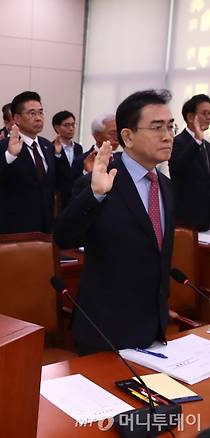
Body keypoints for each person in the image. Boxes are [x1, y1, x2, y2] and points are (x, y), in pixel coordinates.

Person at [54, 89, 175, 355]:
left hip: (152, 329)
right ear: (128, 136)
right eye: (156, 128)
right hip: (106, 330)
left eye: (170, 126)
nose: (167, 136)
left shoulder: (164, 186)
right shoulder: (100, 181)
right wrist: (95, 195)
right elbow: (64, 237)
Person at [0, 91, 69, 235]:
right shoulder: (3, 146)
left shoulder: (47, 146)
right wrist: (10, 156)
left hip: (44, 228)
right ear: (17, 118)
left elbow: (59, 183)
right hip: (13, 229)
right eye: (32, 113)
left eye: (41, 113)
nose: (38, 118)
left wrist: (59, 156)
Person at [169, 93, 210, 230]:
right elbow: (177, 168)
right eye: (205, 113)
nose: (209, 118)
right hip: (187, 220)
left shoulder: (207, 145)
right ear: (191, 117)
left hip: (206, 218)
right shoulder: (176, 142)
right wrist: (197, 141)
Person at [70, 113, 119, 182]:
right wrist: (89, 173)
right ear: (97, 136)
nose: (117, 138)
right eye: (113, 134)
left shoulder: (122, 159)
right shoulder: (81, 161)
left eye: (119, 133)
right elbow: (76, 190)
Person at [52, 110, 83, 209]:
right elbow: (52, 171)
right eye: (66, 125)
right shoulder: (49, 147)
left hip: (76, 194)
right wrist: (57, 154)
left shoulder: (78, 147)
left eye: (73, 125)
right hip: (58, 196)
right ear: (57, 127)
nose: (71, 128)